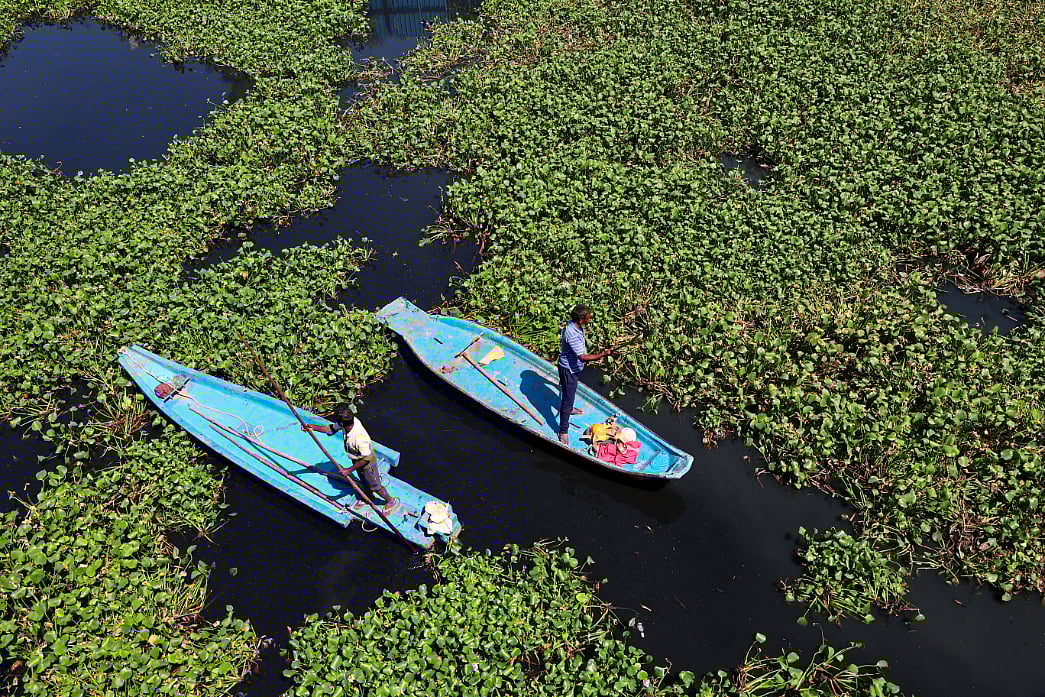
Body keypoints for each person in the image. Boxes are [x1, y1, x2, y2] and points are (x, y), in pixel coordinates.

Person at [302, 407, 398, 511]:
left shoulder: (359, 437)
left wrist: (349, 470)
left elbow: (366, 458)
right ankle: (369, 497)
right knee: (364, 480)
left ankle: (390, 500)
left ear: (342, 423)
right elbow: (330, 429)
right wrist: (312, 427)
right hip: (357, 459)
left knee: (375, 486)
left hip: (366, 463)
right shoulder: (348, 422)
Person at [558, 304, 613, 444]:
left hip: (573, 367)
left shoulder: (574, 325)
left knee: (569, 391)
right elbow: (581, 357)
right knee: (567, 399)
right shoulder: (572, 334)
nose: (590, 319)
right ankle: (563, 430)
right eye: (588, 317)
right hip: (568, 369)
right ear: (581, 320)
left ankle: (569, 408)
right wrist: (602, 354)